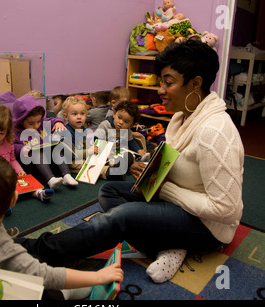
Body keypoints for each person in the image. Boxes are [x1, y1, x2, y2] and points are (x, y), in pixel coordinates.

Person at [15, 39, 244, 284]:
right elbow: (179, 167)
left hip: (207, 227)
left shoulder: (215, 131)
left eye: (168, 83)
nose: (160, 90)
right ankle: (171, 244)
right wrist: (149, 172)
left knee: (122, 216)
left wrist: (165, 189)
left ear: (195, 84)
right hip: (179, 201)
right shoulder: (182, 118)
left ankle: (35, 251)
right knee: (109, 191)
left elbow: (226, 209)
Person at [0, 152, 123, 299]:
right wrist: (98, 277)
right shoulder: (6, 252)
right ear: (13, 200)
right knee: (48, 292)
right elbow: (48, 276)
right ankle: (67, 293)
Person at [0, 104, 55, 204]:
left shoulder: (8, 143)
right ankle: (3, 205)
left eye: (1, 133)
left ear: (7, 131)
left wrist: (20, 171)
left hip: (8, 176)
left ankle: (39, 193)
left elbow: (12, 160)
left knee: (24, 183)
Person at [13, 94, 78, 190]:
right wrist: (22, 149)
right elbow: (12, 147)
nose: (36, 126)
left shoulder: (42, 123)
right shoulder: (16, 132)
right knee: (38, 153)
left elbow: (52, 120)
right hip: (32, 164)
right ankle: (50, 180)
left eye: (38, 121)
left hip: (50, 160)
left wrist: (58, 122)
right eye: (31, 123)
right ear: (21, 121)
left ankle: (66, 175)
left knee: (57, 147)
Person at [94, 101, 148, 179]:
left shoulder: (127, 130)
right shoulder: (105, 125)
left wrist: (139, 150)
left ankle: (128, 166)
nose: (120, 122)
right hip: (106, 153)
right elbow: (97, 138)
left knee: (130, 155)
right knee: (113, 161)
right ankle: (121, 169)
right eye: (119, 117)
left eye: (126, 121)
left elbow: (131, 141)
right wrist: (104, 150)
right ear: (114, 113)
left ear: (131, 125)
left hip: (118, 152)